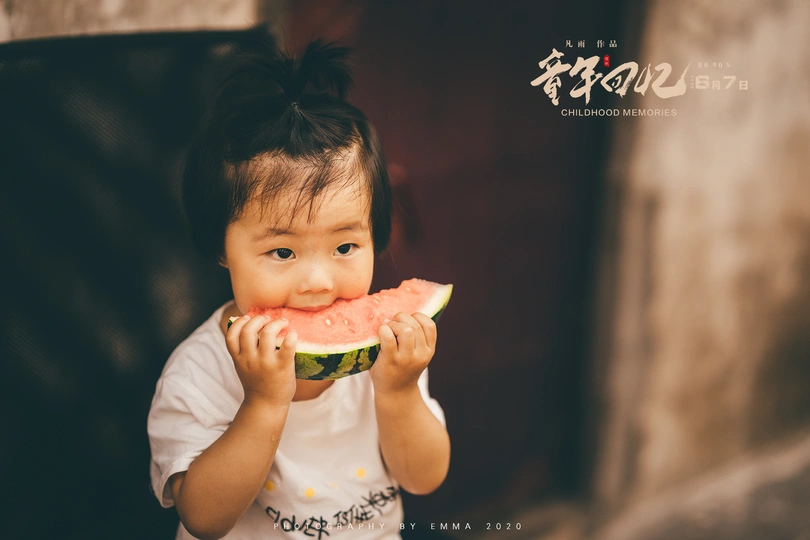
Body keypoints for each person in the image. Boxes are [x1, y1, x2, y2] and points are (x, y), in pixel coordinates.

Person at [146, 34, 450, 540]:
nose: (317, 283)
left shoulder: (389, 354)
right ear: (221, 248)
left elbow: (424, 478)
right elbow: (203, 519)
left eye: (345, 246)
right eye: (282, 252)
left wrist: (398, 392)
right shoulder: (199, 372)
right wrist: (263, 404)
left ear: (376, 237)